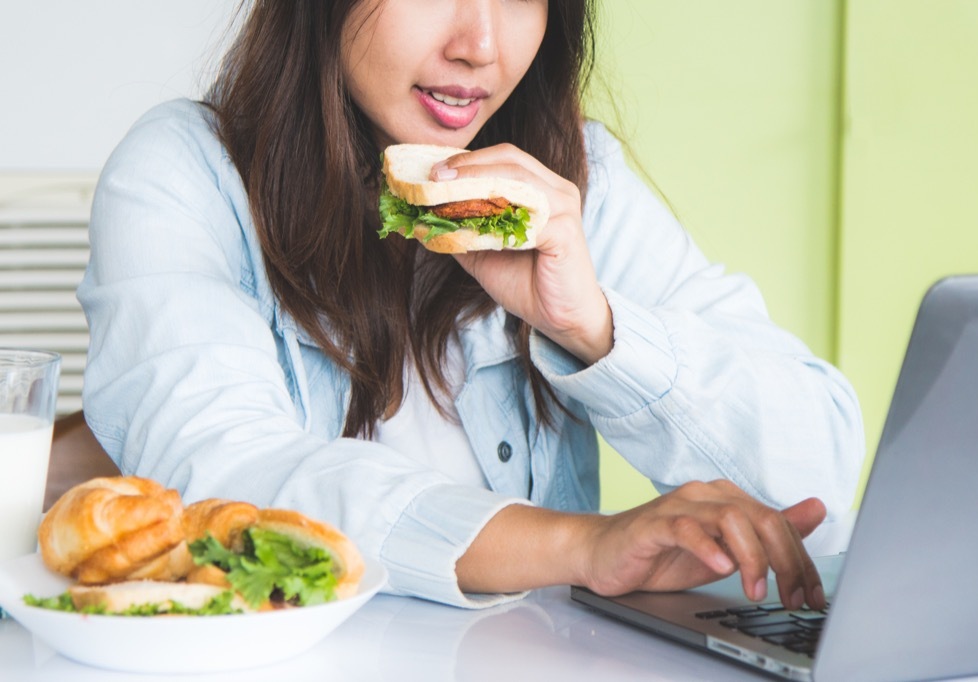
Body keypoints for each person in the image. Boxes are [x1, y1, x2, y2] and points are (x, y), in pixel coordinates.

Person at [78, 0, 864, 610]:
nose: (481, 46)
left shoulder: (577, 182)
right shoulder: (184, 176)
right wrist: (579, 547)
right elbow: (226, 479)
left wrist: (590, 324)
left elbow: (813, 494)